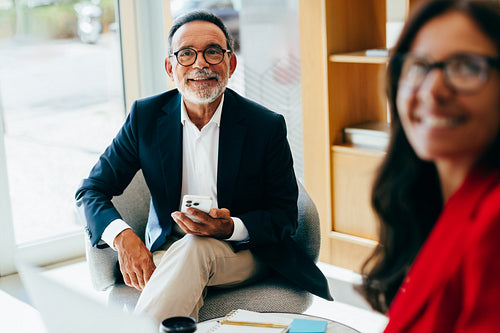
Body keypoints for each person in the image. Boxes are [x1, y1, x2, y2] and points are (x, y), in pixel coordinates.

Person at [75, 10, 332, 323]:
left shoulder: (265, 126)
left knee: (197, 247)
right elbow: (91, 190)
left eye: (213, 52)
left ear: (230, 64)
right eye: (186, 54)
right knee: (186, 259)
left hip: (245, 252)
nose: (200, 64)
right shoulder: (145, 118)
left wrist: (230, 227)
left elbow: (284, 218)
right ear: (171, 68)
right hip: (169, 250)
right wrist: (124, 238)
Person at [359, 0, 500, 331]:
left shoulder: (493, 220)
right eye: (419, 66)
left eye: (466, 67)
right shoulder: (441, 206)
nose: (433, 90)